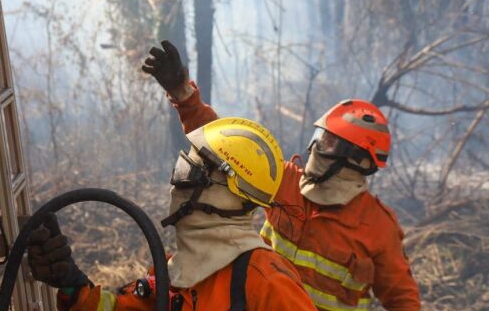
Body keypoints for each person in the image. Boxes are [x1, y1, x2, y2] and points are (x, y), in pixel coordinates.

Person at [142, 41, 421, 311]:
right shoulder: (286, 183)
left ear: (361, 161)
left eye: (331, 142)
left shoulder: (378, 228)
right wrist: (183, 95)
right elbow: (226, 151)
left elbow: (403, 301)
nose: (316, 147)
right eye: (320, 136)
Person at [27, 117, 317, 310]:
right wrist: (73, 285)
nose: (175, 183)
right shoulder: (177, 269)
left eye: (189, 172)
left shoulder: (265, 280)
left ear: (226, 191)